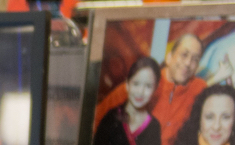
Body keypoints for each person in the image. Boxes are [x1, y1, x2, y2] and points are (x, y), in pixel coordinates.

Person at [96, 35, 235, 145]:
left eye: (195, 59)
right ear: (169, 57)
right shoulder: (144, 82)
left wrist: (218, 76)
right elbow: (95, 119)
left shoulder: (199, 87)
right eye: (184, 55)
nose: (188, 63)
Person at [94, 57, 163, 145]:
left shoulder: (154, 127)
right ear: (127, 85)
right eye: (136, 84)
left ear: (155, 90)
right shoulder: (111, 118)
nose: (140, 92)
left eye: (148, 86)